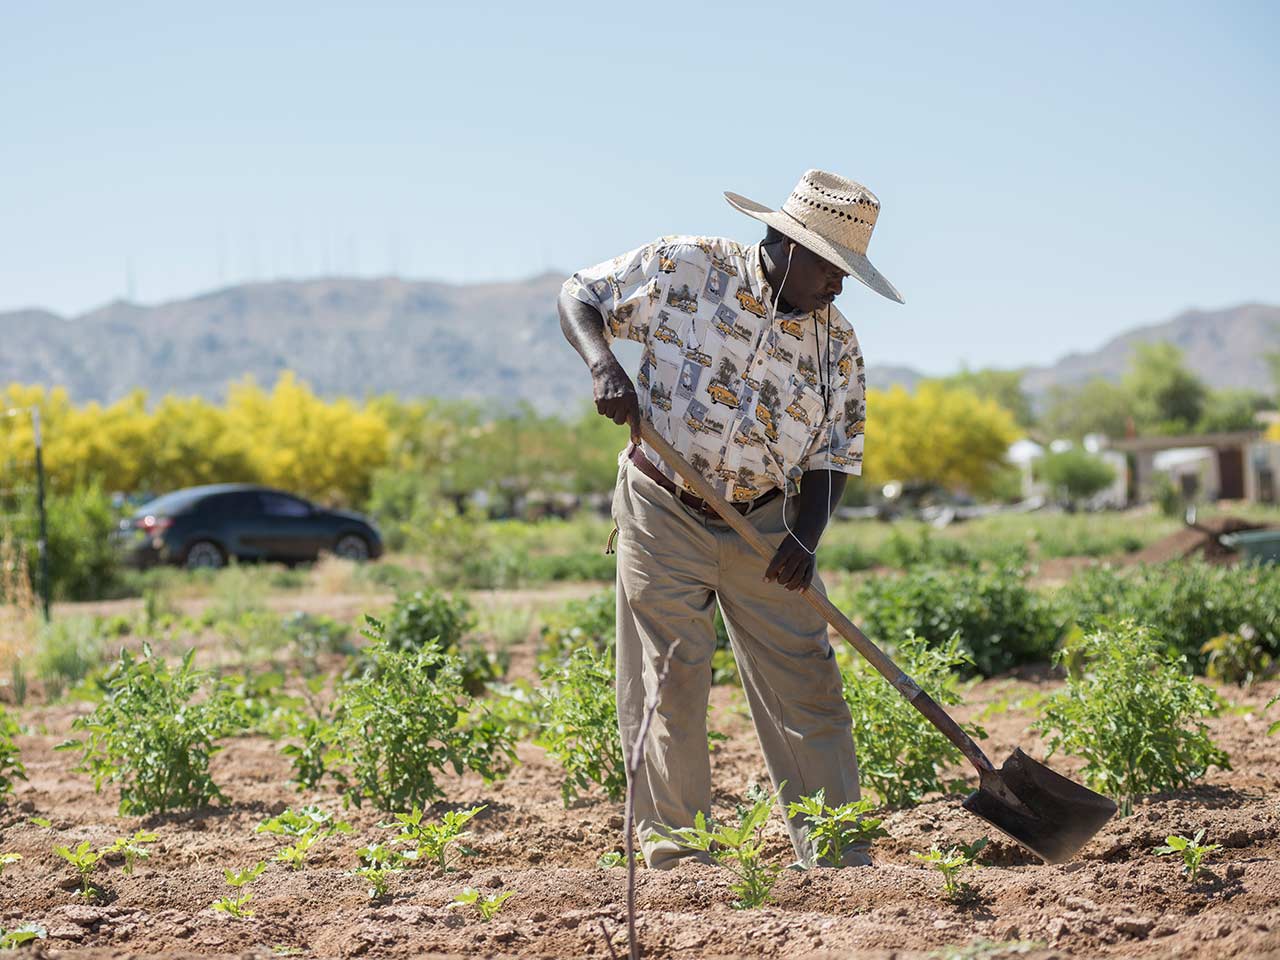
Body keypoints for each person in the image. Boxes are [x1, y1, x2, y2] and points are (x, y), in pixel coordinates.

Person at [557, 169, 904, 869]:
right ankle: (679, 853)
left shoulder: (837, 346)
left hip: (769, 522)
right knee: (669, 679)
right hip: (663, 508)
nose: (838, 285)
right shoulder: (685, 267)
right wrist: (603, 366)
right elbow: (579, 294)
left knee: (808, 681)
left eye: (848, 273)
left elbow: (835, 454)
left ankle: (836, 854)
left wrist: (804, 538)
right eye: (831, 268)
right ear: (785, 241)